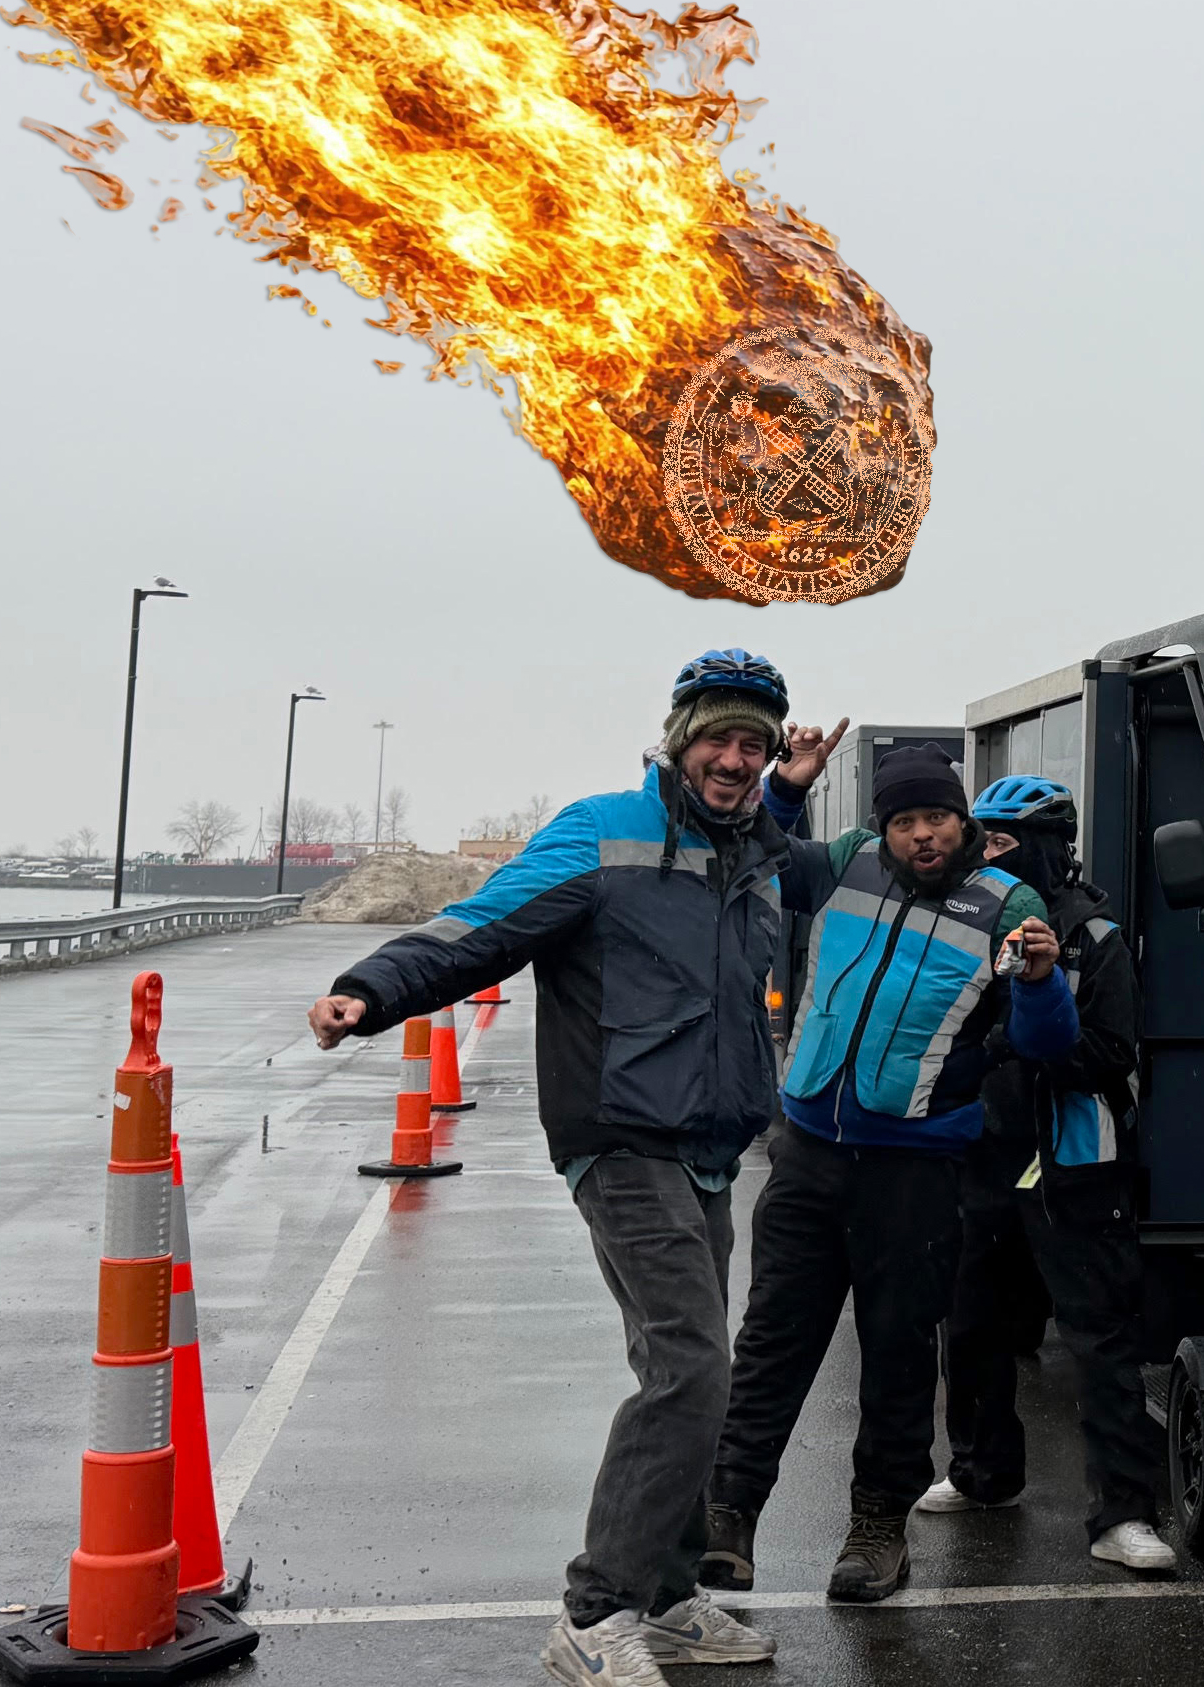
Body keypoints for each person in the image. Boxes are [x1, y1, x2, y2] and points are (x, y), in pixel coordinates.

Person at [306, 649, 847, 1687]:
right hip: (620, 1135)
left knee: (692, 1377)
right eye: (719, 738)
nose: (735, 759)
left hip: (707, 1149)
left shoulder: (751, 853)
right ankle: (596, 1613)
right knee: (692, 1369)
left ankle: (671, 1596)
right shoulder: (603, 832)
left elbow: (761, 837)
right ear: (679, 739)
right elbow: (480, 927)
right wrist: (370, 989)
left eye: (754, 743)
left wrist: (785, 792)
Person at [700, 742, 1077, 1604]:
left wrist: (1042, 982)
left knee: (898, 1354)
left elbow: (1048, 1041)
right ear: (884, 827)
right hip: (807, 1154)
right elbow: (752, 847)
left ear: (962, 820)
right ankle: (727, 1516)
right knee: (771, 1344)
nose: (922, 835)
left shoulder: (1007, 903)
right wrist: (784, 787)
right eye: (905, 821)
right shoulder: (847, 863)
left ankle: (877, 1529)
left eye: (936, 817)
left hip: (916, 1168)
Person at [918, 774, 1175, 1572]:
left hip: (1073, 1166)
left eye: (999, 842)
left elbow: (1114, 1049)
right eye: (981, 840)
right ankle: (982, 1472)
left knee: (1100, 1338)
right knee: (972, 1325)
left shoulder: (1093, 936)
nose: (984, 856)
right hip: (982, 1156)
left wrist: (1021, 1040)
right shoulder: (967, 923)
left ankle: (1124, 1514)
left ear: (1048, 849)